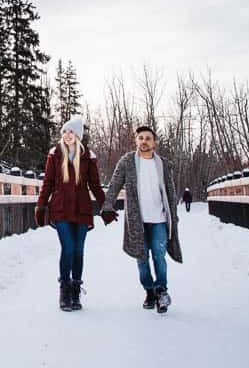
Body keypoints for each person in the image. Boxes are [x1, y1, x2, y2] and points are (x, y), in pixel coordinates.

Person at [100, 125, 184, 314]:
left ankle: (161, 290)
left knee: (159, 256)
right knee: (141, 258)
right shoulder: (127, 161)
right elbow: (114, 184)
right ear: (136, 141)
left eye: (148, 138)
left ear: (154, 143)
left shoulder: (164, 164)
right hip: (137, 220)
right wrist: (107, 205)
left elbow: (170, 192)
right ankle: (149, 290)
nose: (144, 141)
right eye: (140, 138)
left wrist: (174, 216)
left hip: (160, 219)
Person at [34, 116, 106, 311]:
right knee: (68, 248)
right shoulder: (55, 154)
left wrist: (105, 206)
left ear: (78, 135)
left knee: (78, 250)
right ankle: (64, 290)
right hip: (61, 208)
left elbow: (95, 185)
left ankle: (75, 290)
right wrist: (41, 206)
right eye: (65, 131)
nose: (67, 135)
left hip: (82, 209)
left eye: (71, 132)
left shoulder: (88, 157)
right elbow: (47, 183)